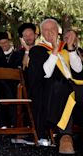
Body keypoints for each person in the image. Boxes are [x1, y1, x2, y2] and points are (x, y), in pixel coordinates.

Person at [27, 19, 83, 154]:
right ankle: (65, 136)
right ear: (41, 33)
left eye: (52, 29)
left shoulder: (66, 46)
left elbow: (79, 70)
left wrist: (70, 48)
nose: (49, 32)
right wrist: (54, 51)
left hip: (74, 85)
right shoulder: (37, 50)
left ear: (58, 31)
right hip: (51, 92)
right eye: (45, 30)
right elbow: (45, 73)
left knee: (70, 88)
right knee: (62, 88)